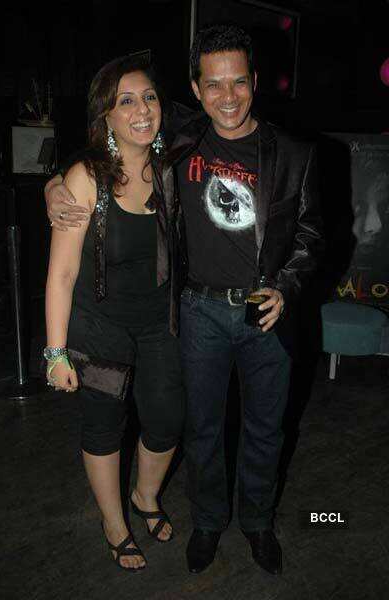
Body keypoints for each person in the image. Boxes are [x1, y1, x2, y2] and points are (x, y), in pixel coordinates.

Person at [45, 24, 323, 576]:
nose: (227, 96)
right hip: (197, 311)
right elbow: (108, 140)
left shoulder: (295, 153)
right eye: (213, 84)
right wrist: (53, 184)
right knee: (202, 429)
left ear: (255, 82)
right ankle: (208, 521)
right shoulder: (183, 134)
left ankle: (258, 522)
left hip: (264, 313)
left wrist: (287, 287)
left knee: (264, 429)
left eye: (238, 82)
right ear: (195, 90)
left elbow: (313, 235)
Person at [44, 54, 185, 572]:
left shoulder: (171, 167)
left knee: (168, 418)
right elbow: (61, 274)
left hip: (159, 322)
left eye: (148, 97)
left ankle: (145, 496)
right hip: (100, 326)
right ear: (106, 114)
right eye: (126, 101)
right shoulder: (86, 177)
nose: (141, 110)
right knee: (105, 424)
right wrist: (56, 352)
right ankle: (114, 523)